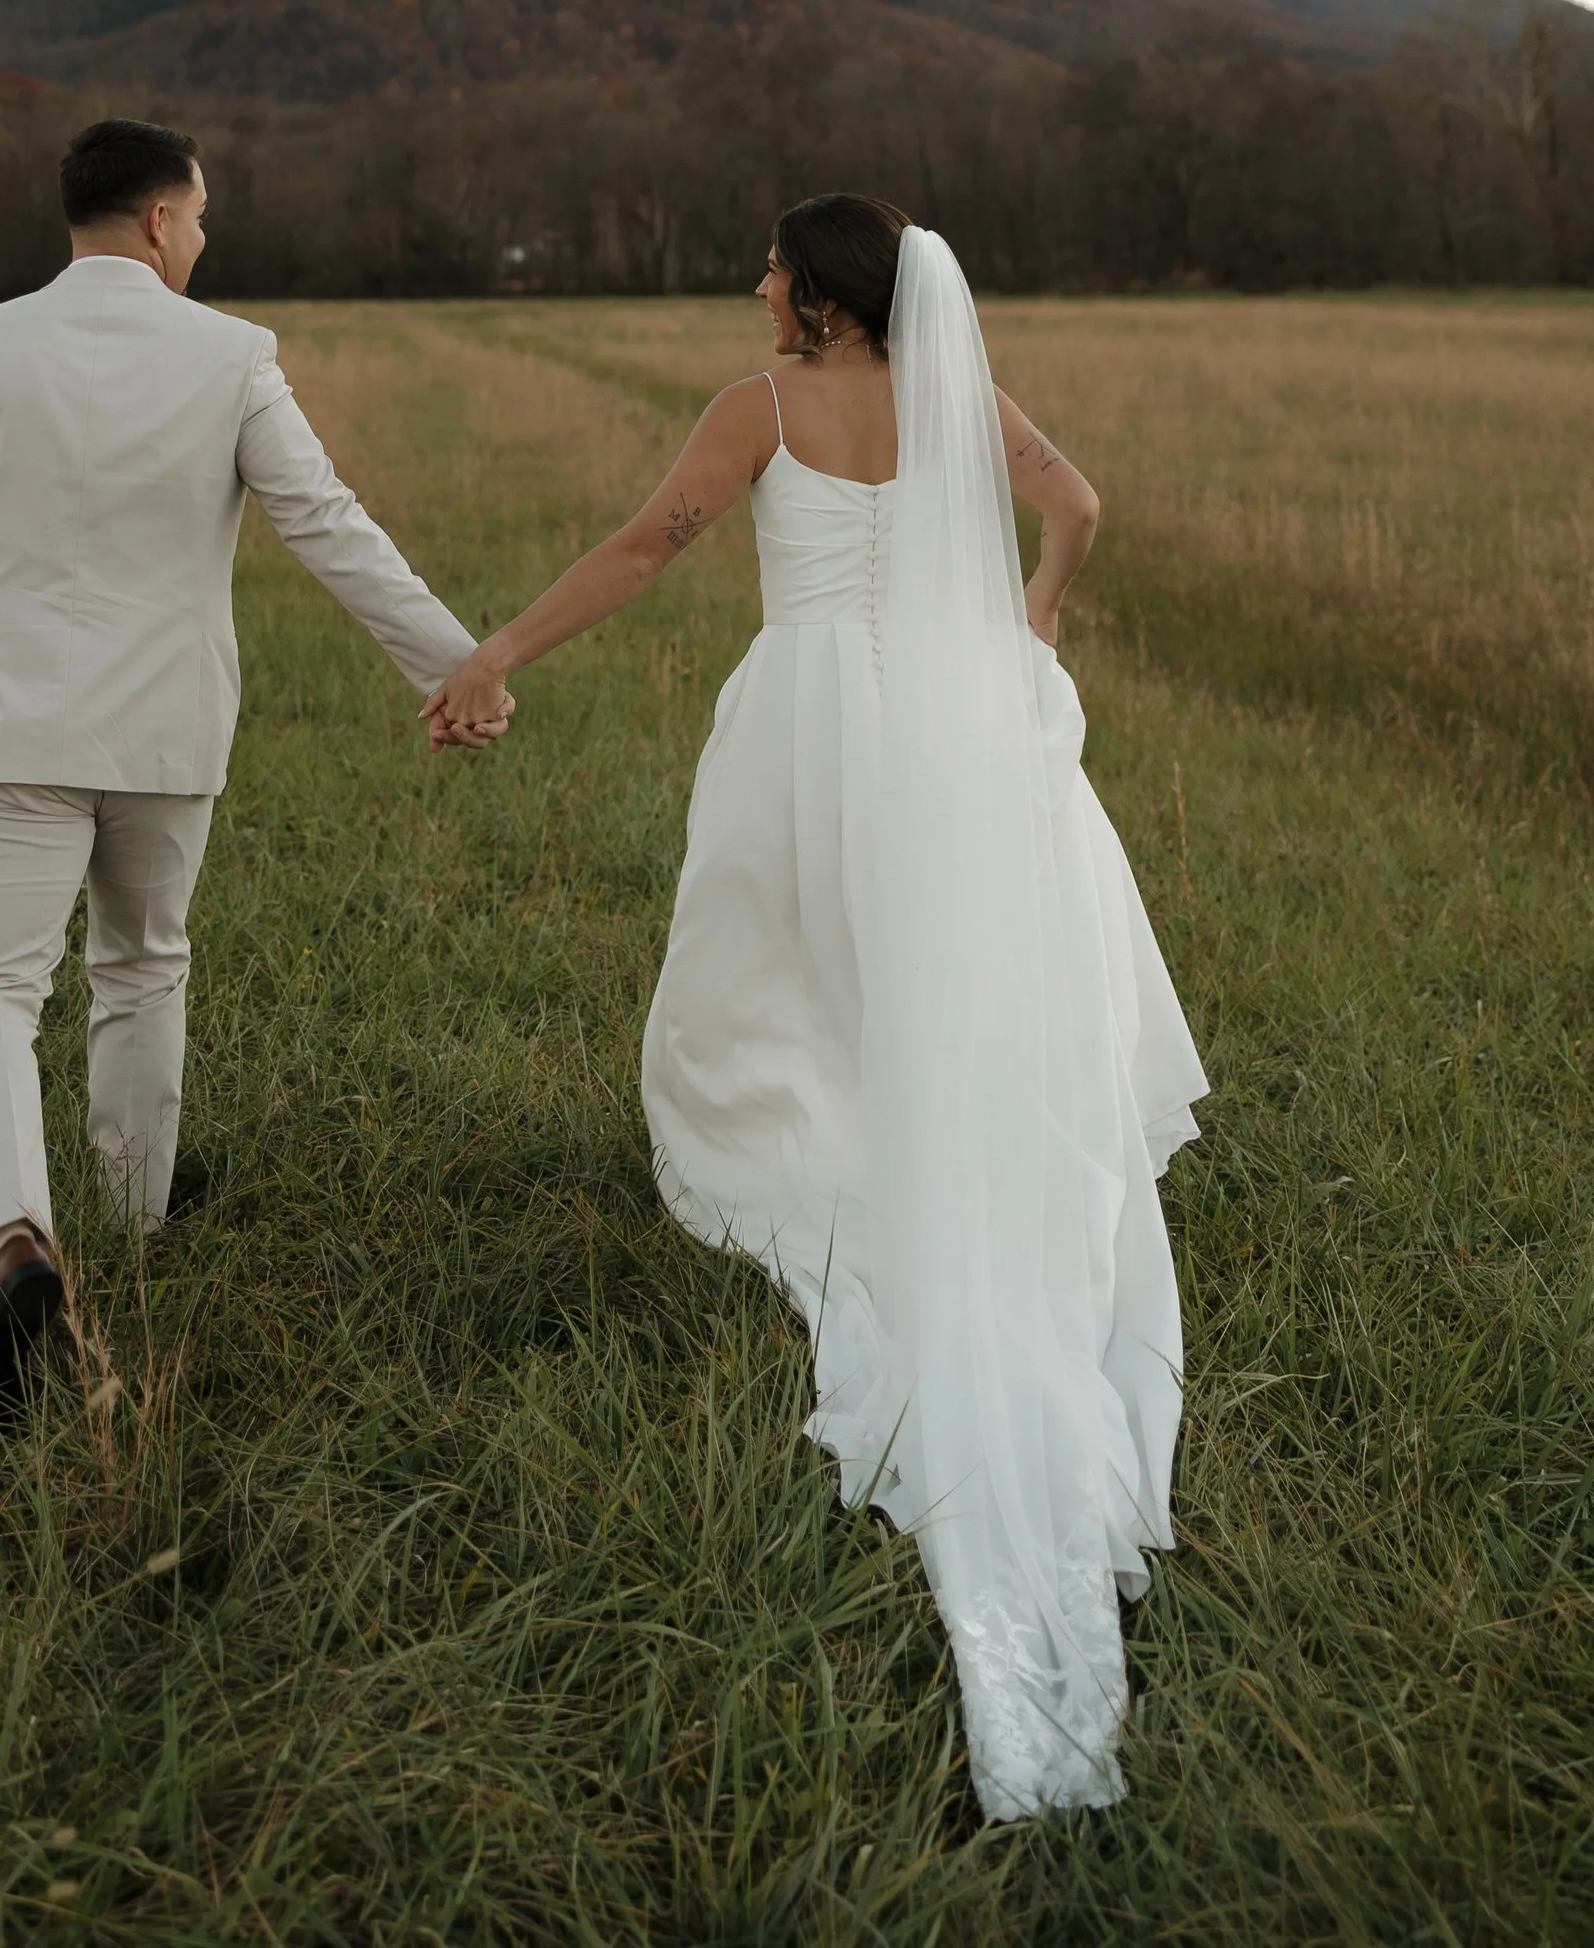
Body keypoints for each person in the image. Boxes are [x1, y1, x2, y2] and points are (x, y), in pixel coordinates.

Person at [428, 193, 1205, 1817]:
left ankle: (817, 1166)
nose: (757, 282)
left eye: (775, 264)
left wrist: (500, 644)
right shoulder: (957, 401)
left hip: (810, 726)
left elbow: (654, 542)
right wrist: (1030, 619)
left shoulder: (759, 407)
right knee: (909, 960)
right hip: (948, 720)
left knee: (777, 972)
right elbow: (1081, 502)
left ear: (830, 299)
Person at [0, 115, 492, 1413]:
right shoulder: (233, 356)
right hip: (163, 729)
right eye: (197, 216)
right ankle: (129, 1241)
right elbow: (329, 524)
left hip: (9, 725)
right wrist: (455, 661)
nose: (202, 236)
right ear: (156, 219)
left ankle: (13, 1244)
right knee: (143, 964)